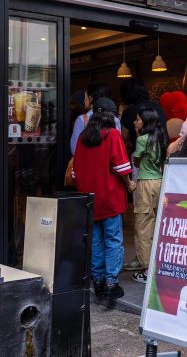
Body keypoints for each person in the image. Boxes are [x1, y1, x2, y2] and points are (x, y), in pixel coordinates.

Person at [72, 98, 134, 300]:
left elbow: (75, 172)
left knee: (96, 240)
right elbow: (121, 168)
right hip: (109, 197)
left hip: (90, 199)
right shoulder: (112, 135)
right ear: (111, 115)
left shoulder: (82, 137)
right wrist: (129, 184)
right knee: (113, 240)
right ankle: (111, 283)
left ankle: (97, 281)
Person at [130, 108, 170, 284]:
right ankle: (158, 263)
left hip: (145, 183)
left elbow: (137, 161)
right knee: (158, 224)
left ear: (145, 123)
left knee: (143, 225)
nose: (135, 122)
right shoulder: (161, 138)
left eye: (137, 120)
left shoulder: (141, 139)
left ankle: (146, 268)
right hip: (160, 181)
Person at [70, 82, 122, 155]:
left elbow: (74, 150)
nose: (84, 100)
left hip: (89, 163)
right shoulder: (116, 119)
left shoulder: (82, 119)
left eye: (85, 96)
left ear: (91, 98)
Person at [120, 79, 167, 156]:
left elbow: (124, 140)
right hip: (161, 153)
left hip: (140, 156)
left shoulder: (128, 112)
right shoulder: (159, 107)